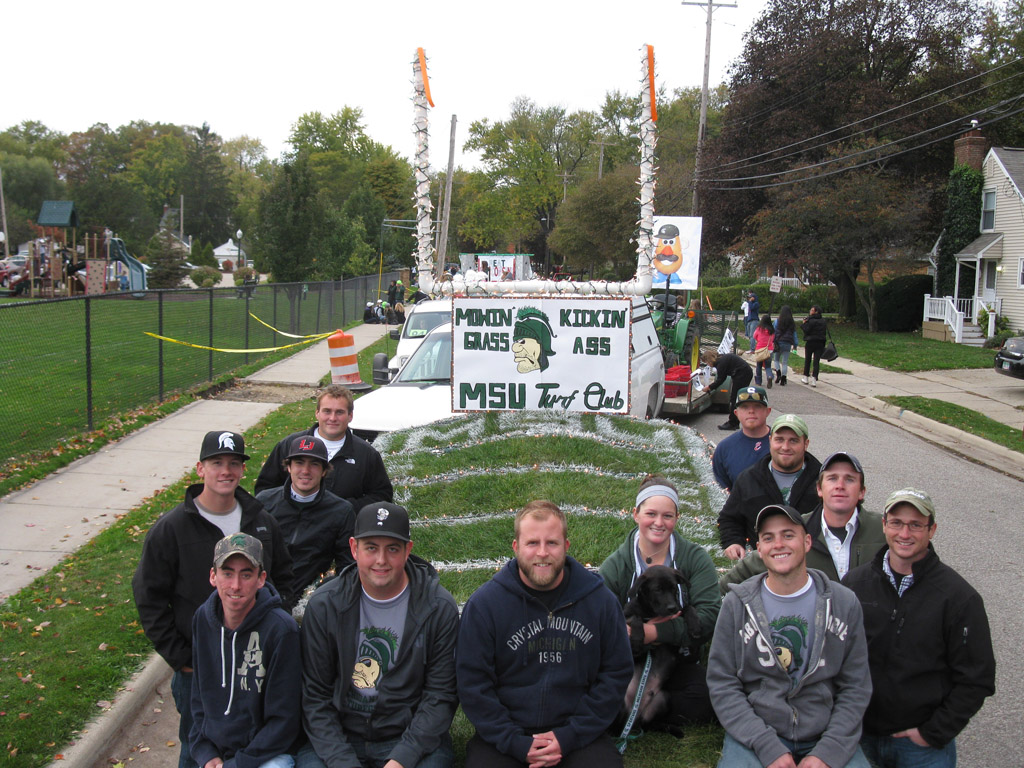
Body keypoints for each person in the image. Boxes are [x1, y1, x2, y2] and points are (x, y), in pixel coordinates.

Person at [133, 431, 295, 768]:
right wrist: (183, 657)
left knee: (253, 745)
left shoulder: (261, 522)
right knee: (198, 748)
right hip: (200, 667)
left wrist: (272, 630)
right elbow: (149, 597)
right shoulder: (172, 529)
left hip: (253, 664)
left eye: (234, 463)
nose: (226, 471)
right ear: (200, 468)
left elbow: (284, 578)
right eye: (217, 463)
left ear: (241, 470)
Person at [457, 500, 633, 768]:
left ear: (566, 546)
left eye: (552, 543)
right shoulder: (485, 605)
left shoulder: (601, 602)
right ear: (516, 547)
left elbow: (616, 673)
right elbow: (473, 683)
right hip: (508, 736)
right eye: (531, 543)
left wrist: (570, 735)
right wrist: (514, 741)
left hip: (577, 734)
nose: (542, 553)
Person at [708, 504, 872, 768]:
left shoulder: (844, 603)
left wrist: (827, 752)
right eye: (768, 538)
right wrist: (766, 745)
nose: (778, 545)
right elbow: (722, 683)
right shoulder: (737, 604)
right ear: (758, 549)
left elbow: (856, 686)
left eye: (788, 535)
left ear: (807, 542)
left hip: (825, 732)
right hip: (757, 732)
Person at [843, 489, 996, 767]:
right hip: (858, 739)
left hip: (921, 749)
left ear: (932, 530)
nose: (905, 533)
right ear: (884, 525)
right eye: (897, 523)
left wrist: (933, 733)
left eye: (916, 525)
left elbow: (977, 678)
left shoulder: (959, 598)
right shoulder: (854, 584)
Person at [299, 502, 459, 768]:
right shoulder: (325, 604)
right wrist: (343, 761)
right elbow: (315, 696)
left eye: (392, 549)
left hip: (405, 736)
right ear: (354, 549)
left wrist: (401, 759)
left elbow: (440, 695)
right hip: (342, 735)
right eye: (371, 547)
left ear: (408, 550)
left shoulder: (438, 607)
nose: (381, 560)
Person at [599, 475, 721, 727]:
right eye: (650, 514)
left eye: (667, 516)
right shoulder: (617, 565)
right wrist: (627, 633)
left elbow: (709, 617)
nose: (658, 522)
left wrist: (654, 632)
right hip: (631, 658)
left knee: (708, 699)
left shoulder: (695, 559)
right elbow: (600, 618)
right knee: (597, 695)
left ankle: (652, 708)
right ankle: (641, 708)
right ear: (636, 514)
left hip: (677, 658)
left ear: (677, 518)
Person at [190, 534, 301, 768]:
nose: (236, 586)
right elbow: (199, 697)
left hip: (268, 754)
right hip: (218, 752)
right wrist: (206, 752)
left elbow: (285, 720)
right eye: (227, 573)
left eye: (246, 574)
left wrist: (238, 764)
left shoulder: (281, 630)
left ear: (261, 579)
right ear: (213, 576)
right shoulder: (203, 619)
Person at [720, 451, 886, 590]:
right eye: (832, 478)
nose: (840, 485)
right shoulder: (797, 528)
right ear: (819, 489)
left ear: (862, 492)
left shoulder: (883, 530)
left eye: (849, 479)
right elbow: (748, 568)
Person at [255, 384, 393, 511]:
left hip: (343, 531)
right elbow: (265, 489)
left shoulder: (365, 454)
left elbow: (381, 495)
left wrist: (346, 508)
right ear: (317, 413)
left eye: (339, 412)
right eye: (327, 411)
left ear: (350, 416)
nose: (332, 418)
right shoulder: (289, 445)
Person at [255, 435, 356, 598]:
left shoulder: (341, 511)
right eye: (299, 463)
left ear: (324, 470)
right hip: (260, 594)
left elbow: (348, 567)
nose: (306, 471)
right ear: (288, 467)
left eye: (314, 464)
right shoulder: (264, 502)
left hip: (308, 600)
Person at [717, 414, 822, 560]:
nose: (785, 447)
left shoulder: (822, 481)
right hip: (762, 564)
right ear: (770, 441)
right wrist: (733, 542)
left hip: (811, 563)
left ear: (806, 444)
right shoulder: (749, 479)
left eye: (793, 441)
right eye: (779, 439)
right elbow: (730, 518)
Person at [711, 386, 772, 491]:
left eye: (757, 406)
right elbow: (721, 493)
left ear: (768, 411)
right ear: (736, 413)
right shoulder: (725, 448)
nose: (751, 411)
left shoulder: (782, 445)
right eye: (745, 407)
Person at [701, 348, 753, 432]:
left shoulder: (720, 364)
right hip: (744, 372)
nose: (707, 364)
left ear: (709, 360)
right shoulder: (721, 359)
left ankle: (732, 423)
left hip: (742, 374)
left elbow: (721, 379)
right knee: (736, 397)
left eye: (706, 362)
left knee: (734, 398)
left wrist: (709, 387)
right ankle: (735, 422)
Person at [801, 306, 827, 387]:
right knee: (816, 361)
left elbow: (807, 330)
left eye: (812, 310)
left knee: (808, 360)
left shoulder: (810, 320)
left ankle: (806, 377)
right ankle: (814, 379)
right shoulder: (823, 321)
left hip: (810, 341)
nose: (810, 311)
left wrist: (804, 324)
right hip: (820, 342)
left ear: (816, 312)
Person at [772, 305, 798, 386]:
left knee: (776, 360)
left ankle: (778, 373)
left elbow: (773, 332)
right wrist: (795, 344)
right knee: (785, 362)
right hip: (787, 343)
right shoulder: (792, 323)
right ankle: (783, 378)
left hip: (778, 343)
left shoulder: (777, 321)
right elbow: (794, 335)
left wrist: (773, 341)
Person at [752, 313, 775, 388]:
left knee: (759, 365)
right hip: (769, 350)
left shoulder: (759, 329)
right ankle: (769, 376)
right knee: (768, 366)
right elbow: (773, 339)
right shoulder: (772, 330)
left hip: (760, 349)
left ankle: (759, 381)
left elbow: (754, 336)